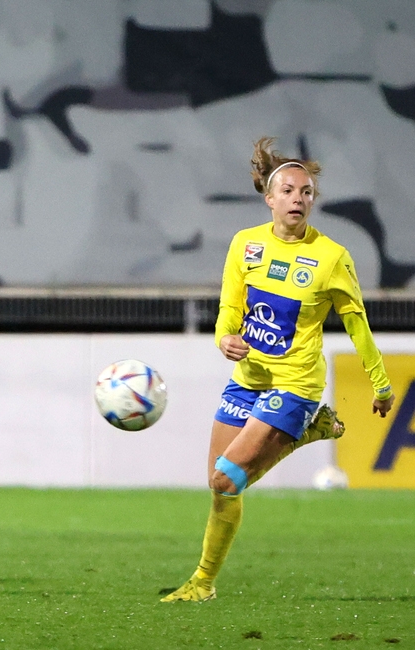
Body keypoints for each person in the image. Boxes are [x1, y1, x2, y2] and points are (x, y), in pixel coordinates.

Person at [160, 137, 395, 602]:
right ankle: (202, 584)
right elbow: (231, 306)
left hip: (296, 383)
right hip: (248, 379)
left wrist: (381, 383)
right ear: (269, 199)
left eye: (306, 192)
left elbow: (357, 324)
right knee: (220, 488)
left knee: (227, 476)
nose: (298, 199)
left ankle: (307, 428)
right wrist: (223, 338)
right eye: (288, 191)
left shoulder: (331, 257)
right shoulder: (245, 245)